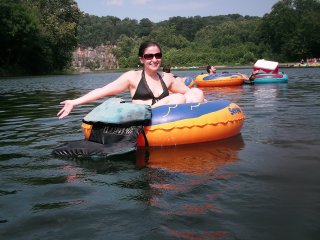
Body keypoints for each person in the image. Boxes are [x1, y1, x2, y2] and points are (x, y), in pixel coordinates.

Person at [57, 41, 205, 119]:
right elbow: (102, 91)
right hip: (146, 120)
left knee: (196, 92)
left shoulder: (168, 78)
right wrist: (74, 102)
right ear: (141, 59)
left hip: (168, 120)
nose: (154, 59)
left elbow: (192, 94)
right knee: (178, 98)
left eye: (158, 55)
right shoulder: (132, 77)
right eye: (149, 56)